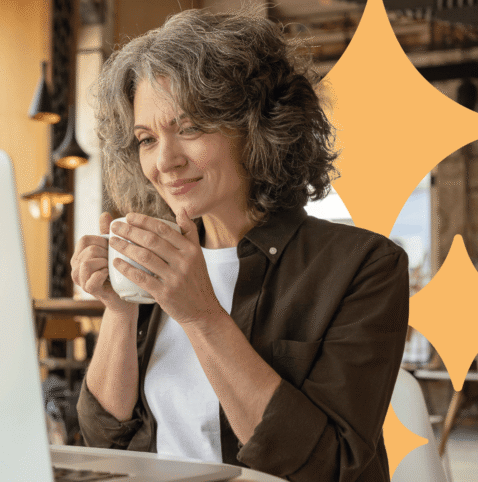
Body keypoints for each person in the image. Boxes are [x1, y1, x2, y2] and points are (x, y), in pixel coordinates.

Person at [70, 7, 409, 482]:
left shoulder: (364, 265)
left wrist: (201, 315)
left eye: (189, 128)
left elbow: (329, 468)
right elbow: (104, 444)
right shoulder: (154, 258)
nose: (165, 161)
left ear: (257, 127)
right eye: (146, 139)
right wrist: (121, 305)